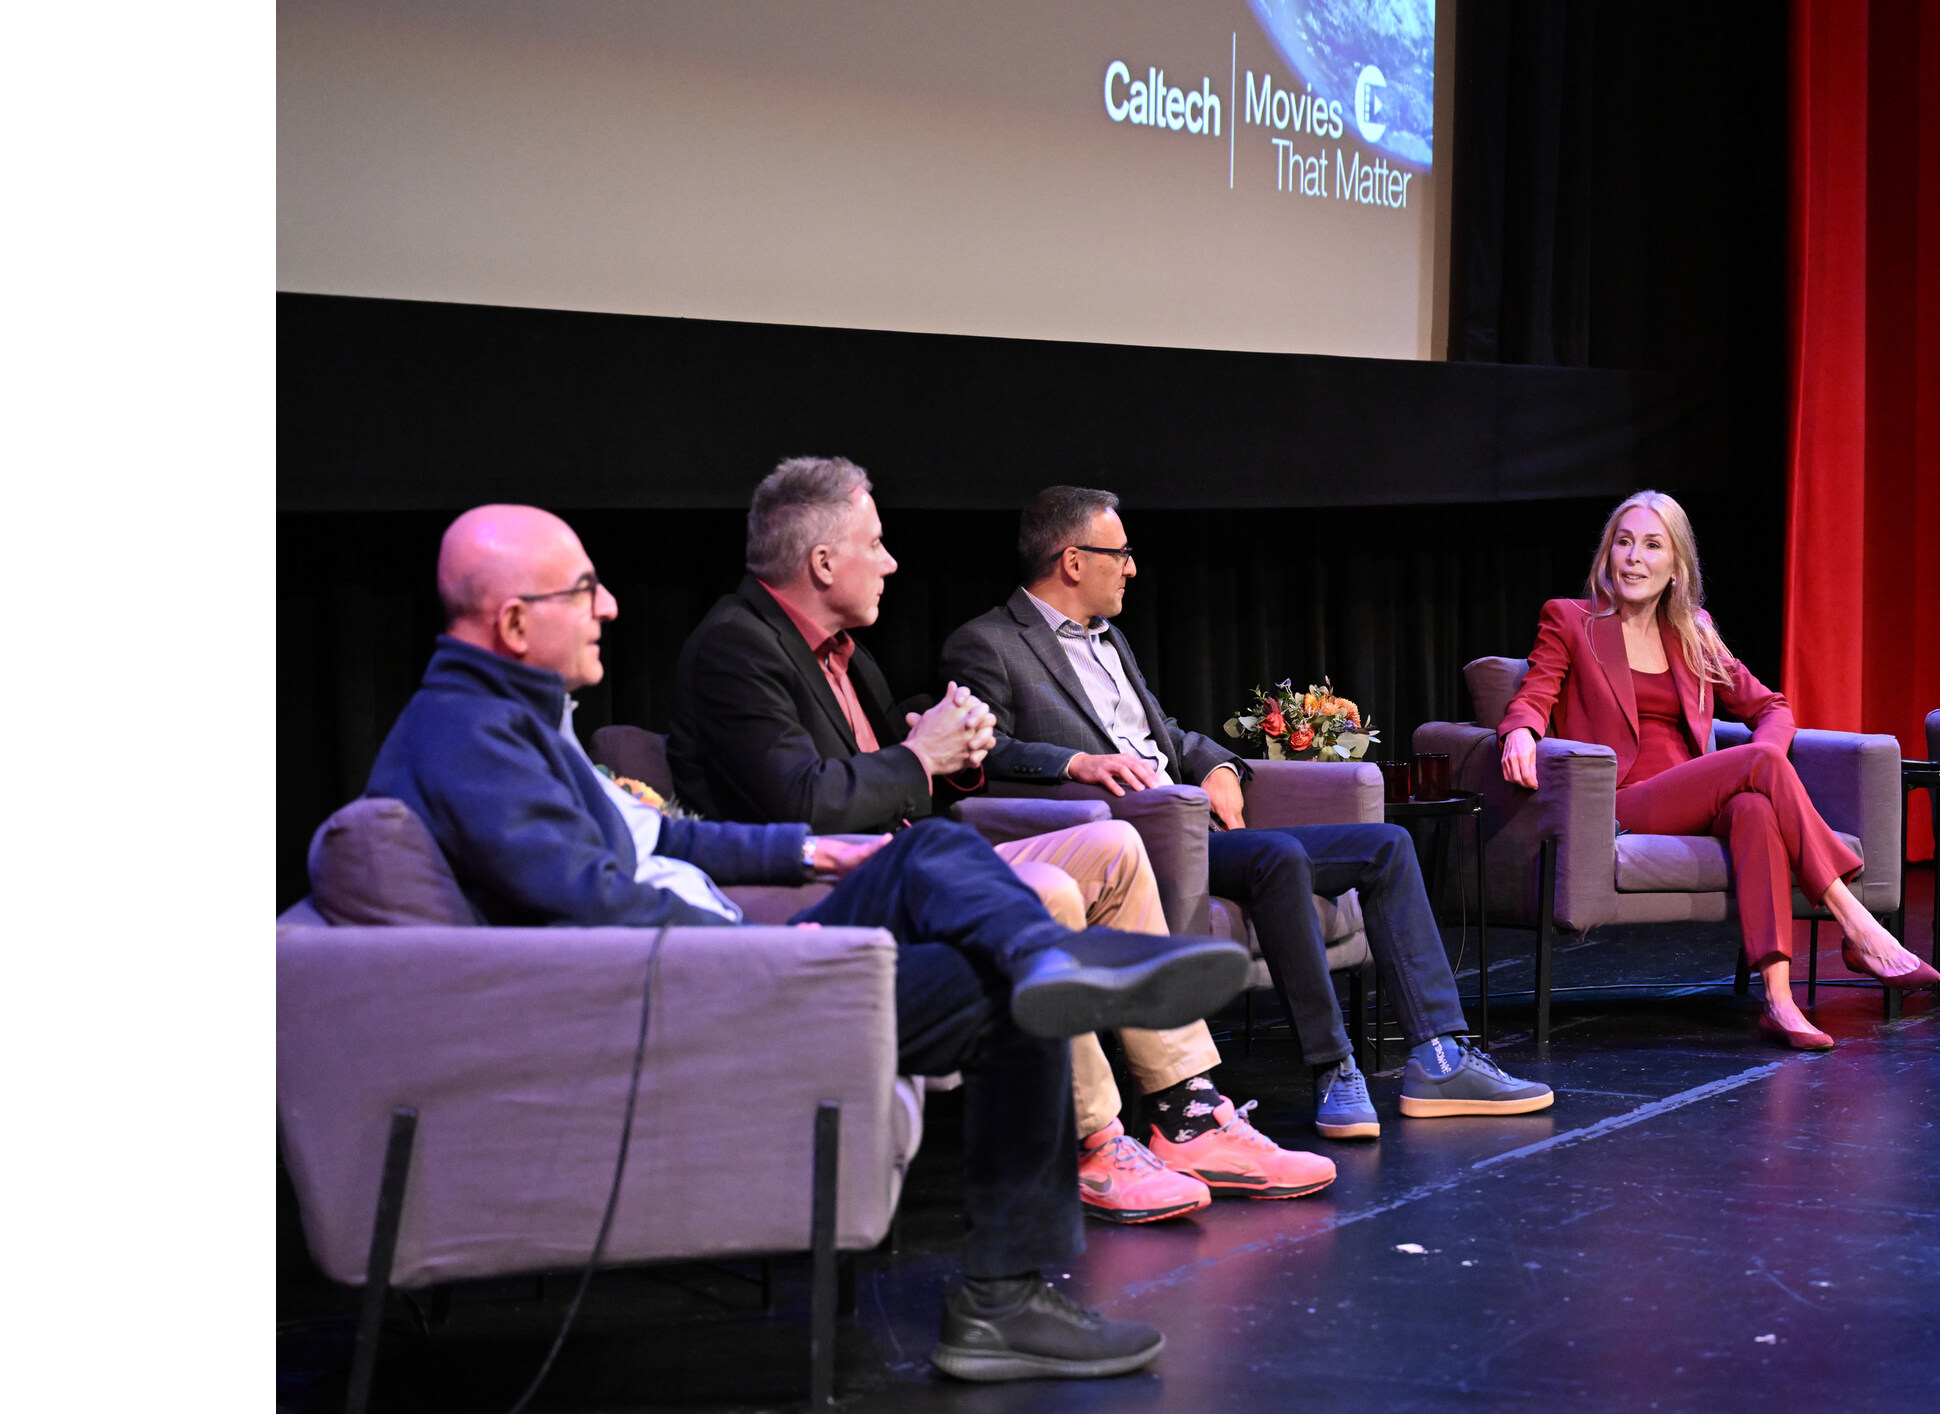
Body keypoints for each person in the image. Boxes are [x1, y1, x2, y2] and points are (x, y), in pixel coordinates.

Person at [366, 503, 1253, 1383]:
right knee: (998, 982)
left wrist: (808, 850)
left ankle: (1053, 967)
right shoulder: (472, 736)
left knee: (933, 850)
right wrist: (769, 954)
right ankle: (1002, 1299)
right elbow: (593, 907)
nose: (609, 609)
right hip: (697, 992)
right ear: (516, 620)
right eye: (586, 590)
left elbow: (654, 842)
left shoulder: (512, 717)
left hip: (715, 962)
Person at [668, 459, 1331, 1220]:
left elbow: (905, 774)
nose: (890, 563)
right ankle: (1093, 1141)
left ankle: (1188, 1113)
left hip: (921, 858)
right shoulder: (737, 648)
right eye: (875, 544)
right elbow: (805, 800)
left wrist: (952, 749)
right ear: (822, 562)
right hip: (829, 887)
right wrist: (922, 755)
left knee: (1114, 848)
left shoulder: (852, 657)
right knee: (1043, 890)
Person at [941, 486, 1554, 1138]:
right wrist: (1073, 764)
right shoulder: (989, 643)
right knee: (1279, 854)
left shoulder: (1108, 640)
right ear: (1072, 561)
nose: (1132, 568)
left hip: (1195, 821)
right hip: (1130, 838)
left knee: (1387, 845)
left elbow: (1165, 735)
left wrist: (1220, 766)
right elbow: (976, 746)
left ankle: (1441, 1056)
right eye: (1120, 554)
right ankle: (1334, 1068)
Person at [1492, 491, 1937, 1051]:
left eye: (1652, 545)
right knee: (1755, 765)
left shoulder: (1694, 631)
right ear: (1607, 556)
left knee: (1754, 804)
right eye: (1623, 542)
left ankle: (1779, 1000)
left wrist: (1768, 758)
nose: (1633, 557)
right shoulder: (1571, 620)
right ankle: (1855, 919)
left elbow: (1771, 708)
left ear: (1676, 567)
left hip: (1695, 799)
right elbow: (1536, 690)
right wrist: (1519, 731)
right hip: (1620, 802)